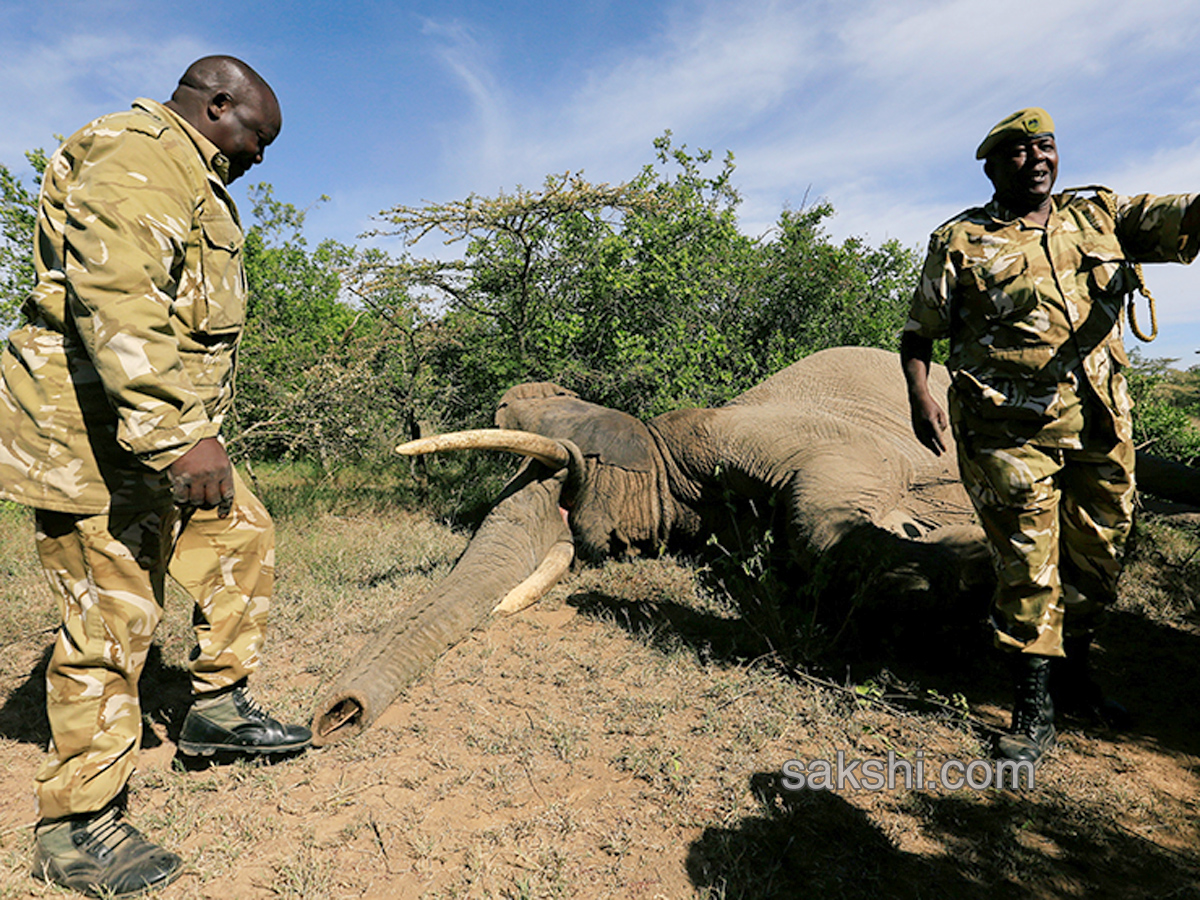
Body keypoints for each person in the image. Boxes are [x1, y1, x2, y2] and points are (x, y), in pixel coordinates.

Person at [0, 56, 311, 897]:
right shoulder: (137, 156)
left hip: (156, 433)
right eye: (257, 136)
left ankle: (214, 706)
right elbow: (121, 296)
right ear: (218, 105)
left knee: (243, 536)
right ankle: (75, 826)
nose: (259, 156)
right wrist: (178, 437)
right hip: (94, 442)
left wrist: (183, 433)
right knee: (113, 619)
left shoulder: (189, 174)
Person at [901, 108, 1200, 767]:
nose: (1036, 159)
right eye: (1018, 151)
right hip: (1010, 432)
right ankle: (1032, 710)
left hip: (1101, 424)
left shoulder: (1100, 215)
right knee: (1030, 564)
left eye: (1046, 146)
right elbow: (919, 331)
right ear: (992, 165)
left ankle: (1074, 677)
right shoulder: (960, 239)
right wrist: (920, 394)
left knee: (1097, 558)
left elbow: (1187, 216)